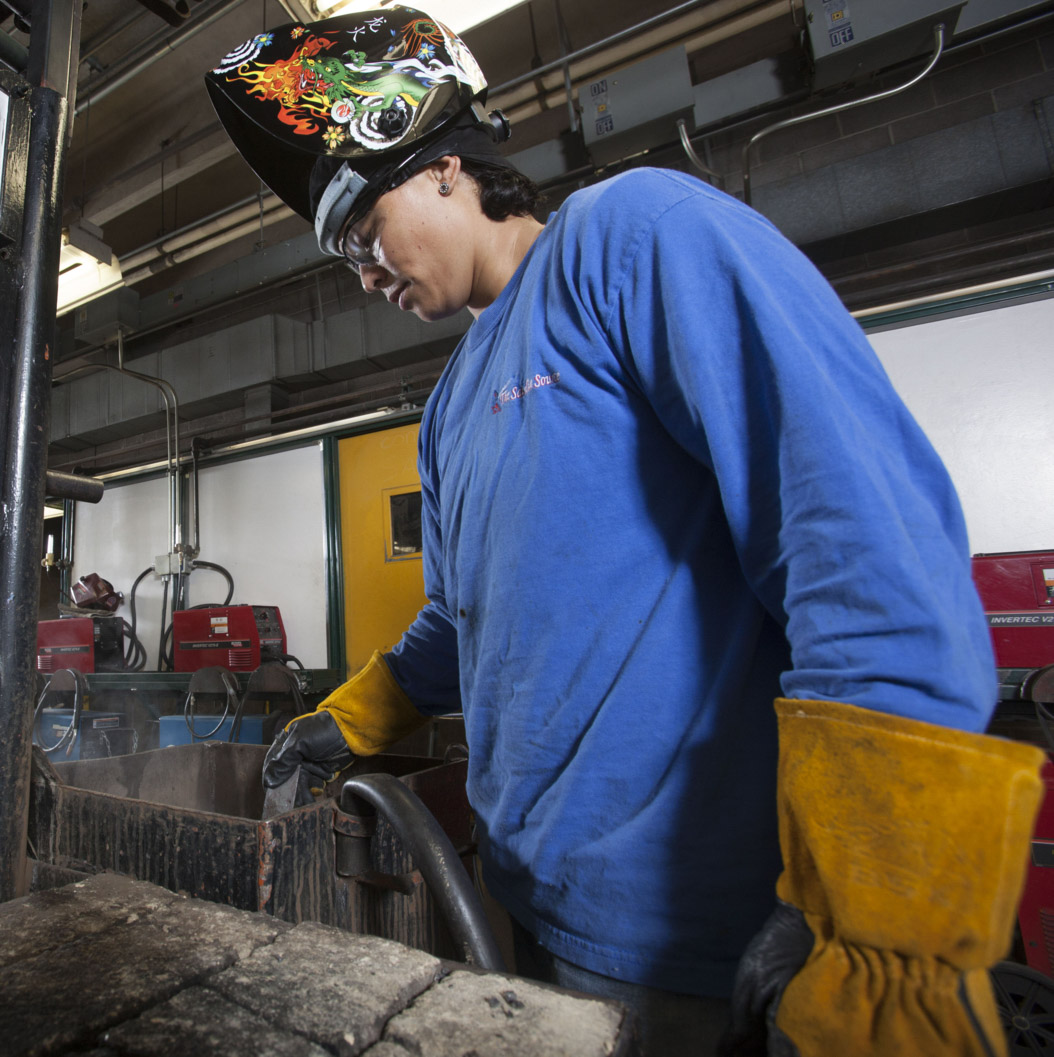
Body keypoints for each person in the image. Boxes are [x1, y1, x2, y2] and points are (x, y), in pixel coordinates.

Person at [206, 10, 1044, 1055]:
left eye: (364, 237)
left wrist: (884, 931)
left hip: (700, 936)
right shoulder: (451, 403)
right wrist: (358, 713)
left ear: (440, 170)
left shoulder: (630, 238)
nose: (365, 279)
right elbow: (463, 620)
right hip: (525, 901)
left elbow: (856, 537)